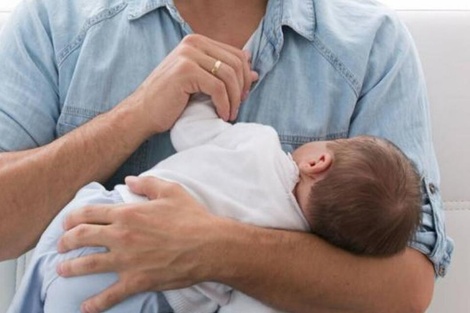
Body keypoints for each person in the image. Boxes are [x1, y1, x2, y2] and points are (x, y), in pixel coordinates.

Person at [0, 0, 453, 312]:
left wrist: (212, 248)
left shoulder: (373, 46)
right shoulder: (56, 20)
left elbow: (405, 290)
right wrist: (135, 115)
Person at [8, 94, 422, 313]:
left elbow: (192, 129)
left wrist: (202, 96)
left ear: (318, 160)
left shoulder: (260, 143)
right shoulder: (287, 247)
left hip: (92, 219)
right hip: (136, 296)